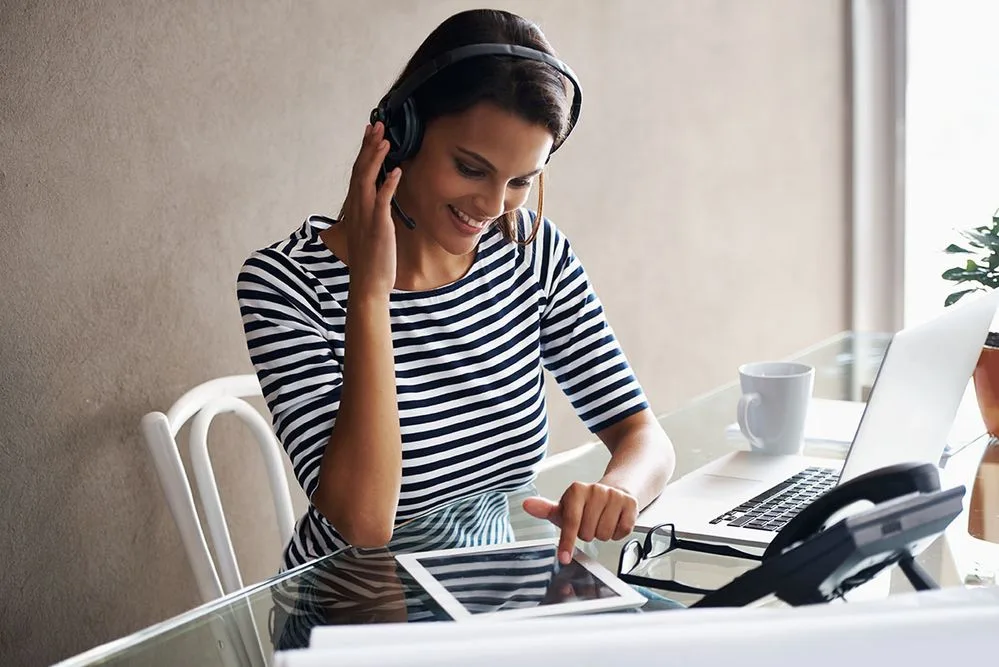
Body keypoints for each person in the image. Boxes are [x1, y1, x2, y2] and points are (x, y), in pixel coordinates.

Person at [236, 8, 676, 576]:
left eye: (520, 181)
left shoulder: (532, 254)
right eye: (471, 169)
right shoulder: (285, 285)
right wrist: (370, 293)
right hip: (355, 611)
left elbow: (646, 439)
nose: (493, 207)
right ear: (401, 136)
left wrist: (618, 490)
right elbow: (365, 524)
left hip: (491, 594)